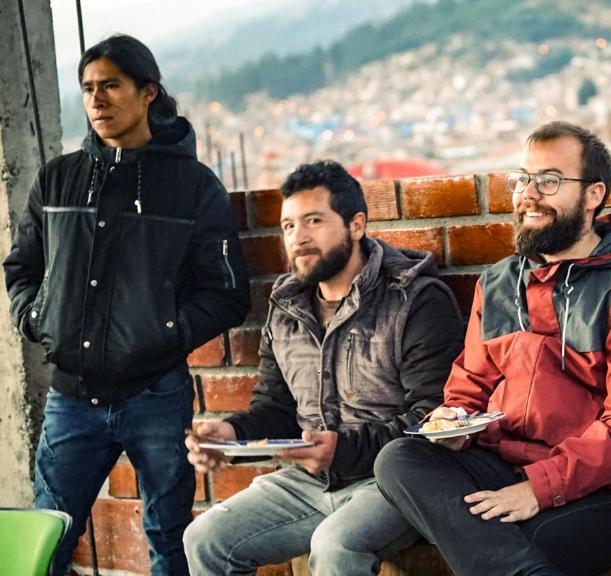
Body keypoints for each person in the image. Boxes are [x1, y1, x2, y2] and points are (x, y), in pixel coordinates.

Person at [374, 121, 611, 576]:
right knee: (399, 459)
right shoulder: (498, 283)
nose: (529, 194)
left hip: (609, 491)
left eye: (549, 181)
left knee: (515, 543)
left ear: (593, 194)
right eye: (522, 179)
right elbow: (467, 388)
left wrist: (538, 490)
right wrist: (453, 422)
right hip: (501, 467)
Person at [2, 34, 250, 575]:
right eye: (89, 88)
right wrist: (38, 319)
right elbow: (21, 268)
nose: (97, 99)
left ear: (148, 92)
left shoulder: (193, 187)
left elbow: (228, 293)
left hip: (155, 394)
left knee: (169, 536)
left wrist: (163, 333)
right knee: (47, 537)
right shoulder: (56, 179)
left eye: (111, 85)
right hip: (71, 396)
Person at [182, 160, 464, 575]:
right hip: (309, 483)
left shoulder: (415, 300)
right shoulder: (286, 308)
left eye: (314, 221)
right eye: (289, 226)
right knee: (205, 538)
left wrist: (342, 451)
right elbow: (276, 408)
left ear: (356, 225)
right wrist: (232, 434)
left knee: (334, 546)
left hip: (394, 482)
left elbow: (435, 419)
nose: (298, 237)